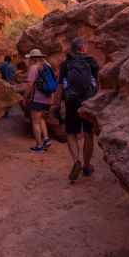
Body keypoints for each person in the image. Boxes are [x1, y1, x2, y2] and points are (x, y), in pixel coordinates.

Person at [53, 38, 99, 181]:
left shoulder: (66, 64)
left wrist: (56, 104)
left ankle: (76, 161)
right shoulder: (92, 62)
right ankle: (86, 166)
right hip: (88, 102)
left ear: (73, 49)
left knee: (71, 133)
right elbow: (98, 83)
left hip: (71, 103)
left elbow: (60, 86)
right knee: (88, 134)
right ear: (83, 48)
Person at [23, 48, 56, 153]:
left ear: (32, 58)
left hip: (37, 99)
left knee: (35, 122)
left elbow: (29, 84)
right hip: (48, 98)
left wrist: (25, 97)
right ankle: (46, 139)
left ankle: (39, 146)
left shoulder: (34, 68)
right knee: (41, 119)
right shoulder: (47, 66)